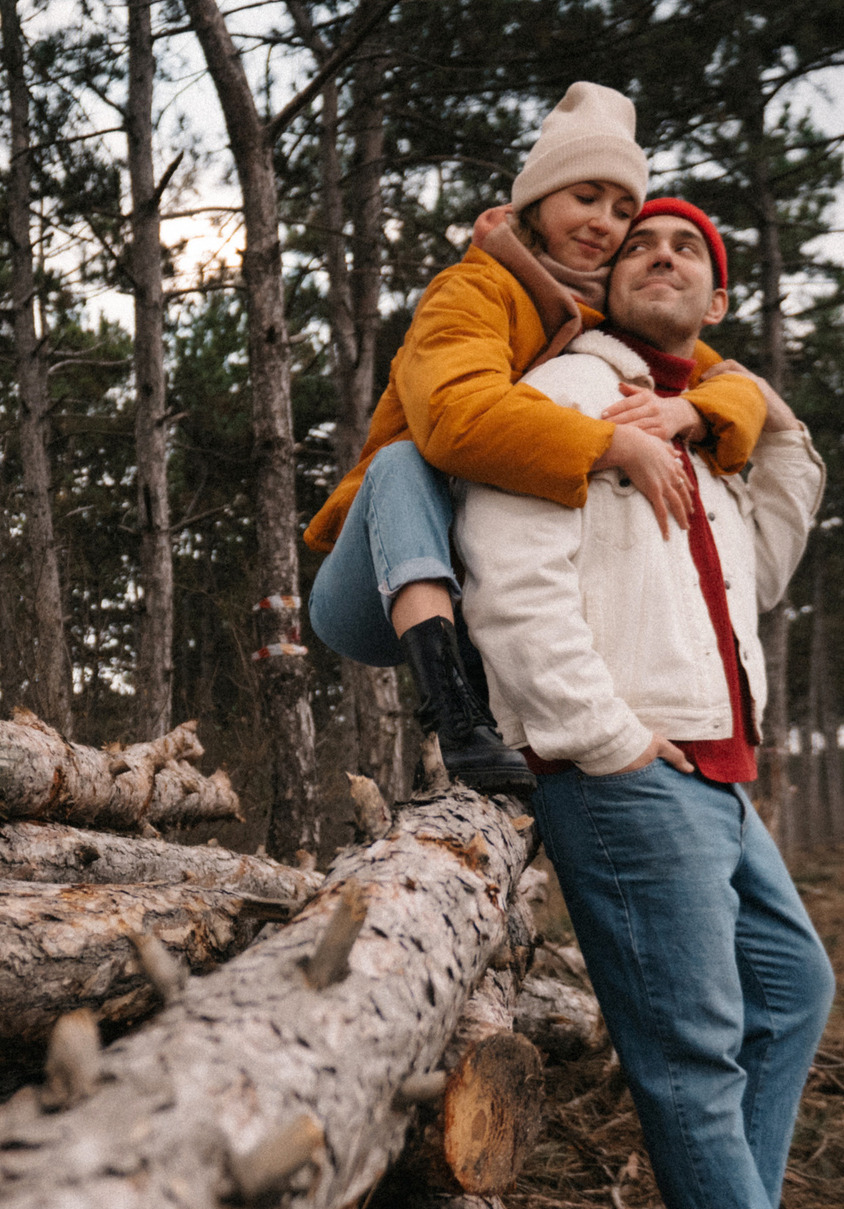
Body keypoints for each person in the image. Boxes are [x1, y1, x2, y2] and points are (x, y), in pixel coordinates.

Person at [454, 200, 844, 1209]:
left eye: (691, 252)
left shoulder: (706, 437)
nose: (660, 252)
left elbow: (784, 484)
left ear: (715, 306)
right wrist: (601, 738)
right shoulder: (560, 392)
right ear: (603, 286)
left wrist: (710, 406)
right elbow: (510, 577)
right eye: (639, 242)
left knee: (793, 987)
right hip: (629, 772)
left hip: (717, 772)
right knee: (690, 1047)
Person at [304, 82, 770, 794]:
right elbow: (455, 419)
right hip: (371, 581)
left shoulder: (597, 315)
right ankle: (455, 716)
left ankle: (492, 713)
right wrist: (614, 443)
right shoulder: (470, 291)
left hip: (474, 586)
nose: (605, 224)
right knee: (404, 463)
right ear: (538, 199)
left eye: (623, 210)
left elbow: (733, 380)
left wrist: (692, 416)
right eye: (585, 197)